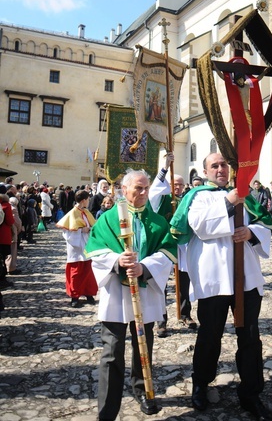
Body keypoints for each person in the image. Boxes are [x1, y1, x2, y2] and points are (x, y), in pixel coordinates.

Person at [170, 153, 272, 420]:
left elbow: (265, 225)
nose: (220, 169)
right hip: (213, 279)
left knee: (250, 337)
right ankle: (201, 383)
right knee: (209, 335)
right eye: (214, 165)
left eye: (224, 165)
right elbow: (202, 227)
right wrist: (229, 202)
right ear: (205, 171)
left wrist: (252, 233)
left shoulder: (246, 196)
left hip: (246, 278)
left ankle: (251, 393)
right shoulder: (196, 197)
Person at [84, 169, 177, 421]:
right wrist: (117, 260)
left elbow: (168, 251)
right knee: (112, 351)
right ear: (124, 190)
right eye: (138, 188)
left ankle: (143, 390)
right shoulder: (107, 219)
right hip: (116, 293)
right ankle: (108, 408)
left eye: (146, 188)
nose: (144, 193)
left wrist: (144, 267)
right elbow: (94, 250)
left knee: (143, 345)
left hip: (144, 294)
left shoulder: (157, 222)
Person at [149, 153, 197, 337]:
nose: (177, 187)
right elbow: (154, 189)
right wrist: (165, 168)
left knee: (184, 280)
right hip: (163, 244)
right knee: (160, 282)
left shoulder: (186, 200)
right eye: (174, 184)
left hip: (182, 245)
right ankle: (161, 320)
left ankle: (185, 314)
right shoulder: (159, 199)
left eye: (180, 185)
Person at [56, 190, 98, 308]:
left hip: (86, 245)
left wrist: (88, 229)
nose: (89, 201)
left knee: (88, 271)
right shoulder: (72, 213)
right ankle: (75, 296)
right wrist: (81, 230)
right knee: (76, 272)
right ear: (84, 200)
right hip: (76, 248)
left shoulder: (86, 212)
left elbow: (91, 225)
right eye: (88, 199)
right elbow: (67, 232)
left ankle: (88, 293)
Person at [0, 188, 15, 290]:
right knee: (3, 257)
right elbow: (10, 220)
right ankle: (2, 279)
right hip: (3, 234)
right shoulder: (6, 205)